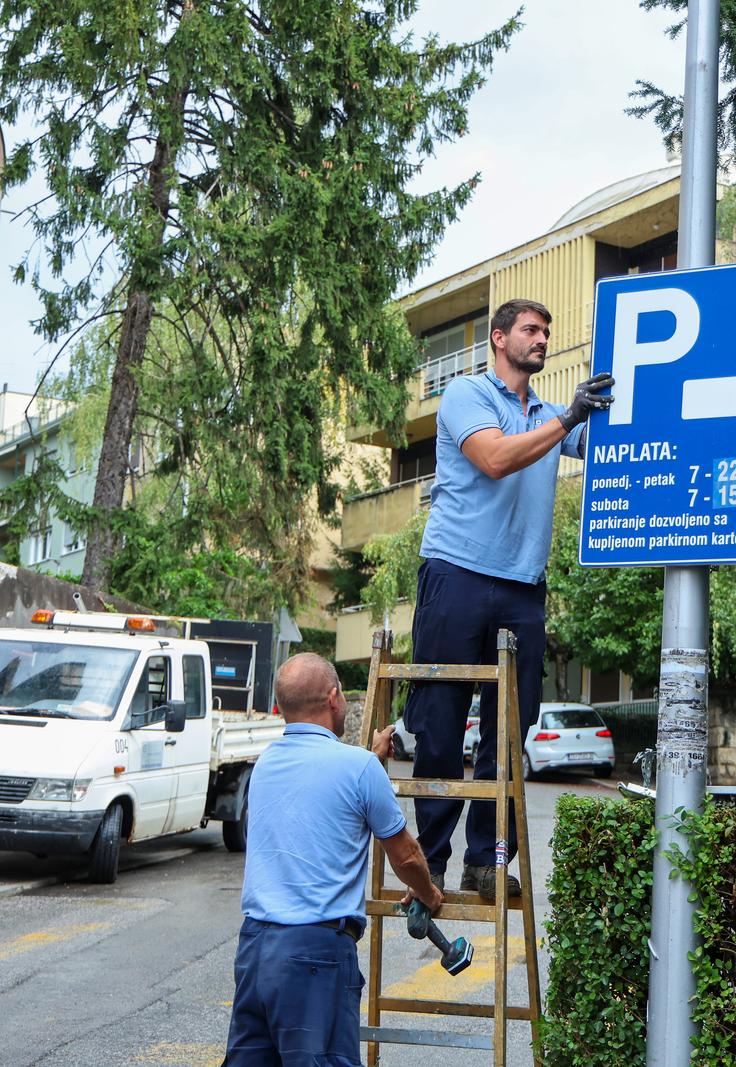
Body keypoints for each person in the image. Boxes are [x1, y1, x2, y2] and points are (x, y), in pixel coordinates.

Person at [402, 297, 614, 901]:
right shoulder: (468, 396)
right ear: (499, 339)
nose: (541, 339)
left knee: (508, 734)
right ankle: (432, 863)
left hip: (523, 586)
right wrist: (570, 419)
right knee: (441, 727)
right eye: (530, 330)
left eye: (547, 331)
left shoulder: (548, 412)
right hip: (457, 574)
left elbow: (606, 450)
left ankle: (487, 861)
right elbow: (495, 459)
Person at [222, 653, 442, 1066]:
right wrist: (427, 893)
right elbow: (407, 856)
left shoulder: (266, 764)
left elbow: (327, 788)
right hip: (315, 954)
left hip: (255, 950)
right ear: (335, 698)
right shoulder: (358, 769)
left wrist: (371, 758)